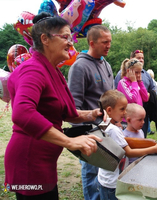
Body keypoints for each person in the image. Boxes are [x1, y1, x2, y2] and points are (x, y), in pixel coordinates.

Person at [4, 12, 104, 200]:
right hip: (28, 161)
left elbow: (65, 113)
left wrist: (92, 114)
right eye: (65, 37)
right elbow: (22, 113)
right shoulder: (32, 69)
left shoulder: (52, 71)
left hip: (44, 161)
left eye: (71, 38)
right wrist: (70, 141)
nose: (71, 43)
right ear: (45, 39)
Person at [67, 25, 113, 200]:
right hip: (91, 134)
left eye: (110, 41)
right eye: (105, 42)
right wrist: (85, 135)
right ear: (92, 43)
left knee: (105, 177)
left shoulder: (106, 64)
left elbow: (111, 97)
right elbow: (73, 109)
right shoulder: (80, 67)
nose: (109, 45)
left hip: (107, 131)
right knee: (92, 177)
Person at [98, 90, 157, 200]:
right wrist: (154, 149)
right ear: (109, 110)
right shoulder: (114, 130)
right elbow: (129, 153)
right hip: (113, 183)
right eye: (122, 109)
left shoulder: (104, 124)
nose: (125, 113)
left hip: (106, 180)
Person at [114, 50, 155, 136]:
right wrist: (134, 82)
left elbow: (145, 98)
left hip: (137, 119)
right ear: (129, 71)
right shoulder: (123, 82)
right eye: (136, 72)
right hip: (127, 122)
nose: (139, 75)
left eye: (140, 72)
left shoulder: (137, 82)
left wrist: (140, 82)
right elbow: (133, 99)